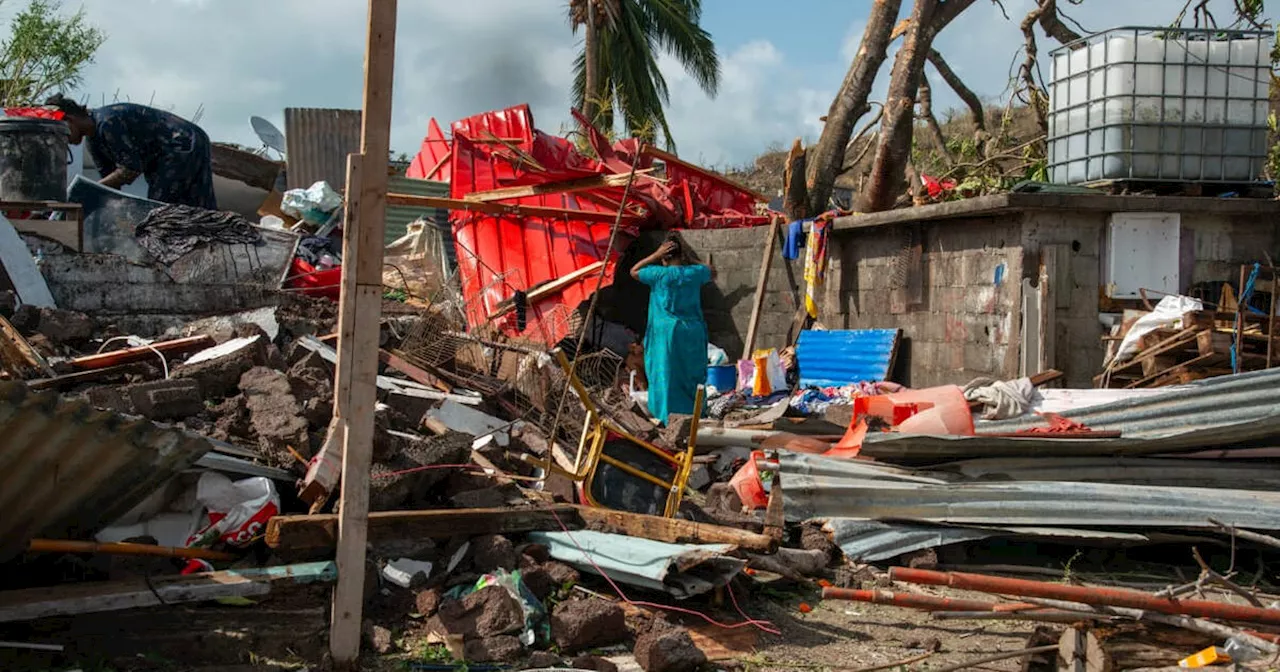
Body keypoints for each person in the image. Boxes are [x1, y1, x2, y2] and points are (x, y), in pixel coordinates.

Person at [46, 94, 217, 210]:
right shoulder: (94, 140)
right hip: (171, 151)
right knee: (181, 207)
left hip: (182, 143)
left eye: (60, 132)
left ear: (69, 119)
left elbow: (130, 170)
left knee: (163, 210)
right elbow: (112, 185)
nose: (63, 139)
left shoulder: (107, 122)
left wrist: (84, 192)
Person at [630, 233, 715, 425]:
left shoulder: (658, 274)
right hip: (692, 332)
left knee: (665, 376)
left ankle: (667, 418)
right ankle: (695, 416)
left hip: (666, 334)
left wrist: (654, 255)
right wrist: (689, 257)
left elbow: (634, 271)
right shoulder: (694, 273)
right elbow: (711, 270)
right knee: (692, 375)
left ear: (663, 258)